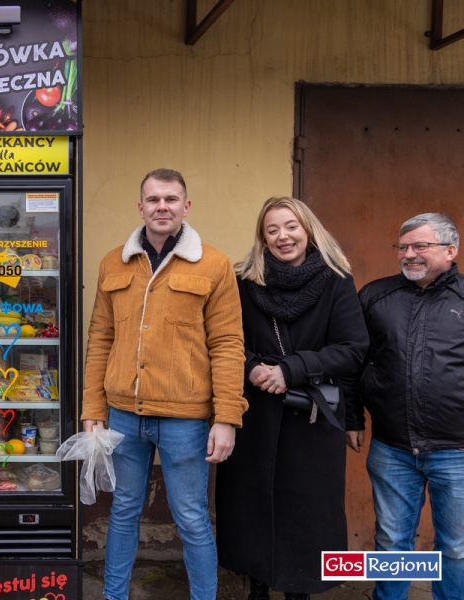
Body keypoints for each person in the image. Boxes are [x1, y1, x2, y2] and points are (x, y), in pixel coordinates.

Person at [81, 168, 247, 600]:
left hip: (185, 418)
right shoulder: (113, 263)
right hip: (122, 415)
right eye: (153, 199)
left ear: (185, 207)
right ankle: (114, 596)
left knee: (192, 517)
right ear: (140, 207)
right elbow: (100, 338)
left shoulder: (214, 264)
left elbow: (229, 344)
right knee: (123, 511)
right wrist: (92, 411)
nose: (162, 207)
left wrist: (227, 417)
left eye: (171, 199)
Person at [215, 197, 369, 600]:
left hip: (313, 414)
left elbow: (353, 347)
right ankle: (257, 584)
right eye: (272, 230)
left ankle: (300, 587)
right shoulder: (244, 280)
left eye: (291, 227)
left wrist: (290, 370)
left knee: (307, 509)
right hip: (255, 411)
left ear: (307, 229)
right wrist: (252, 368)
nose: (283, 236)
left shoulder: (337, 279)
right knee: (252, 503)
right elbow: (224, 339)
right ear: (263, 239)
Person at [348, 213, 464, 600]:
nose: (409, 254)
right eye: (403, 246)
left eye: (420, 246)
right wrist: (352, 416)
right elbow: (353, 364)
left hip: (458, 451)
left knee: (457, 548)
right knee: (392, 541)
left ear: (451, 251)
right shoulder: (375, 296)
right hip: (392, 448)